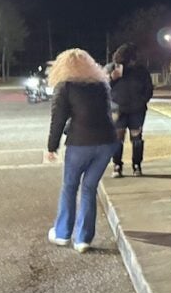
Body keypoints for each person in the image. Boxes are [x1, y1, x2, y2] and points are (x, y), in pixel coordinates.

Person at [46, 48, 118, 253]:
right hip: (106, 142)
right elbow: (100, 113)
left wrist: (52, 147)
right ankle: (83, 239)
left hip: (80, 143)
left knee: (70, 186)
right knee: (88, 188)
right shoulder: (101, 85)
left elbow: (58, 119)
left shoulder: (65, 86)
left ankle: (62, 234)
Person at [105, 42, 153, 178]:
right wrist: (111, 78)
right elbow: (101, 87)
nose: (132, 62)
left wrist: (143, 99)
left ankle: (136, 164)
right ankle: (117, 164)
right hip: (117, 109)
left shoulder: (141, 70)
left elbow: (148, 88)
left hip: (137, 109)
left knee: (137, 138)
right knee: (117, 138)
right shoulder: (111, 68)